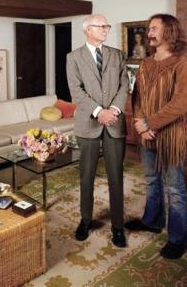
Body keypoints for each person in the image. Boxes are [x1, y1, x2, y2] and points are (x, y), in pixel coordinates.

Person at [125, 13, 187, 259]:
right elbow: (137, 98)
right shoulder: (145, 63)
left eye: (154, 28)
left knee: (175, 188)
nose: (149, 33)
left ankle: (178, 238)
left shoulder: (183, 65)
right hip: (147, 135)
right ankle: (152, 222)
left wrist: (149, 123)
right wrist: (140, 124)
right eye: (149, 28)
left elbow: (181, 103)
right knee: (151, 181)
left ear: (170, 31)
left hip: (171, 137)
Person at [66, 14, 129, 247]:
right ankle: (85, 220)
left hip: (114, 122)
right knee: (87, 176)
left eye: (107, 26)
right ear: (87, 30)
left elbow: (125, 86)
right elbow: (76, 91)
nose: (105, 29)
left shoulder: (117, 55)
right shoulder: (73, 58)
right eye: (100, 26)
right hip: (88, 124)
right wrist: (98, 111)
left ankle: (118, 226)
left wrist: (112, 110)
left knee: (116, 177)